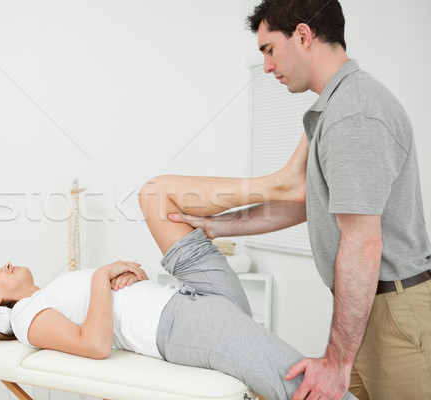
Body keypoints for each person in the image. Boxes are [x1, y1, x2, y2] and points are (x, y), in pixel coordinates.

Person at [168, 1, 431, 399]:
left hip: (394, 309)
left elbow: (363, 243)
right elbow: (304, 200)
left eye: (269, 50)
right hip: (371, 308)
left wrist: (337, 361)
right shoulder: (331, 109)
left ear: (304, 36)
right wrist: (221, 225)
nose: (268, 67)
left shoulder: (353, 112)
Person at [0, 141, 356, 399]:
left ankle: (281, 183)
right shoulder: (26, 316)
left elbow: (110, 315)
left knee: (154, 193)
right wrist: (103, 276)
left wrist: (131, 281)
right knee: (298, 379)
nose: (6, 265)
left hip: (188, 293)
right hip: (180, 326)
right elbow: (94, 345)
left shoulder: (50, 292)